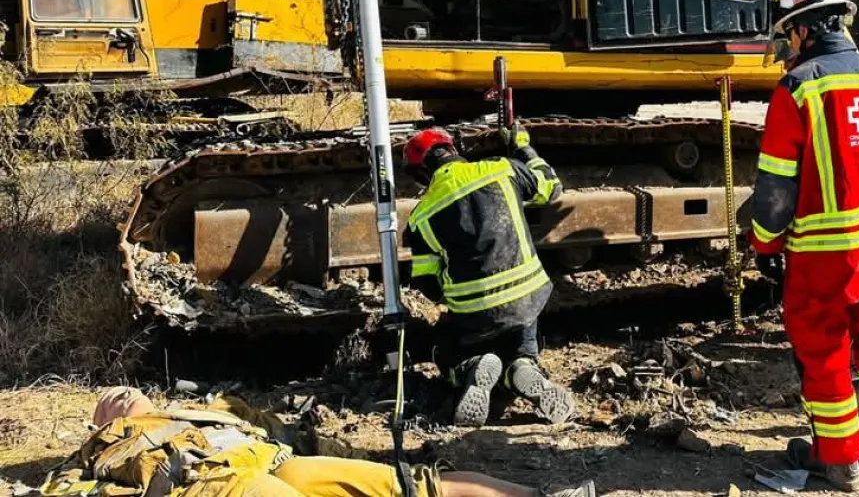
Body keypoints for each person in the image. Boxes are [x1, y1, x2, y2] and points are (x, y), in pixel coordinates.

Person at [748, 0, 859, 491]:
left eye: (788, 35)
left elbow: (776, 186)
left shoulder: (798, 88)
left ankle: (840, 459)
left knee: (824, 354)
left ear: (802, 31)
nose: (787, 47)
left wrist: (764, 244)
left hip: (825, 259)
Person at [37, 386, 594, 497]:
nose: (123, 394)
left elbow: (272, 424)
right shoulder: (101, 443)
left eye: (127, 390)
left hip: (272, 465)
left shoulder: (200, 408)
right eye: (113, 396)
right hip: (219, 482)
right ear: (100, 419)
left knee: (417, 487)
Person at [401, 123, 575, 427]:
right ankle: (521, 366)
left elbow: (428, 285)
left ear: (421, 174)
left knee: (444, 346)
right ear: (453, 150)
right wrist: (522, 146)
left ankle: (470, 366)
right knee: (520, 327)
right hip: (528, 297)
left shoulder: (421, 216)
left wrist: (454, 291)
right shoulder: (502, 169)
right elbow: (551, 186)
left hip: (474, 314)